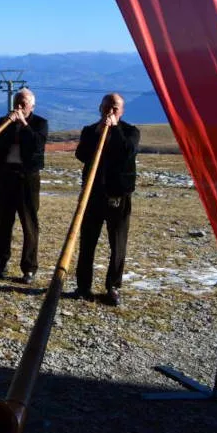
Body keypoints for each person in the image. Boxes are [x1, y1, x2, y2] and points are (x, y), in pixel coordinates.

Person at [74, 93, 140, 306]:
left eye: (115, 108)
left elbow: (127, 152)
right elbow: (82, 154)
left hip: (118, 195)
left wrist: (115, 128)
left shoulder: (130, 131)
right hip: (92, 195)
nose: (110, 112)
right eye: (107, 107)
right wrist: (99, 131)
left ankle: (113, 286)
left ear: (122, 111)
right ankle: (83, 286)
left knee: (117, 242)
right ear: (100, 108)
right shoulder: (89, 130)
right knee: (87, 242)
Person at [0, 88, 48, 284]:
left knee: (29, 223)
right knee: (5, 222)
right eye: (17, 103)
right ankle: (0, 264)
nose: (20, 107)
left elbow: (37, 144)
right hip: (6, 175)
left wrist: (23, 123)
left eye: (24, 104)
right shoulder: (4, 121)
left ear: (32, 105)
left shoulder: (40, 123)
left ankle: (29, 268)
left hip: (27, 178)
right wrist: (9, 125)